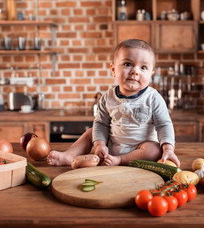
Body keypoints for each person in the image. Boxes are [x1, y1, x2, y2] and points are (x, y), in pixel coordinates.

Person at [47, 39, 180, 167]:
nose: (135, 71)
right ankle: (69, 156)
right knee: (91, 132)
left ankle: (120, 160)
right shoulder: (107, 97)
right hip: (111, 145)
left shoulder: (153, 98)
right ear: (113, 69)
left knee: (155, 150)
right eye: (128, 64)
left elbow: (164, 125)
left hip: (140, 149)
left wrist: (168, 148)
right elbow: (101, 123)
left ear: (151, 73)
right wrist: (100, 144)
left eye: (143, 67)